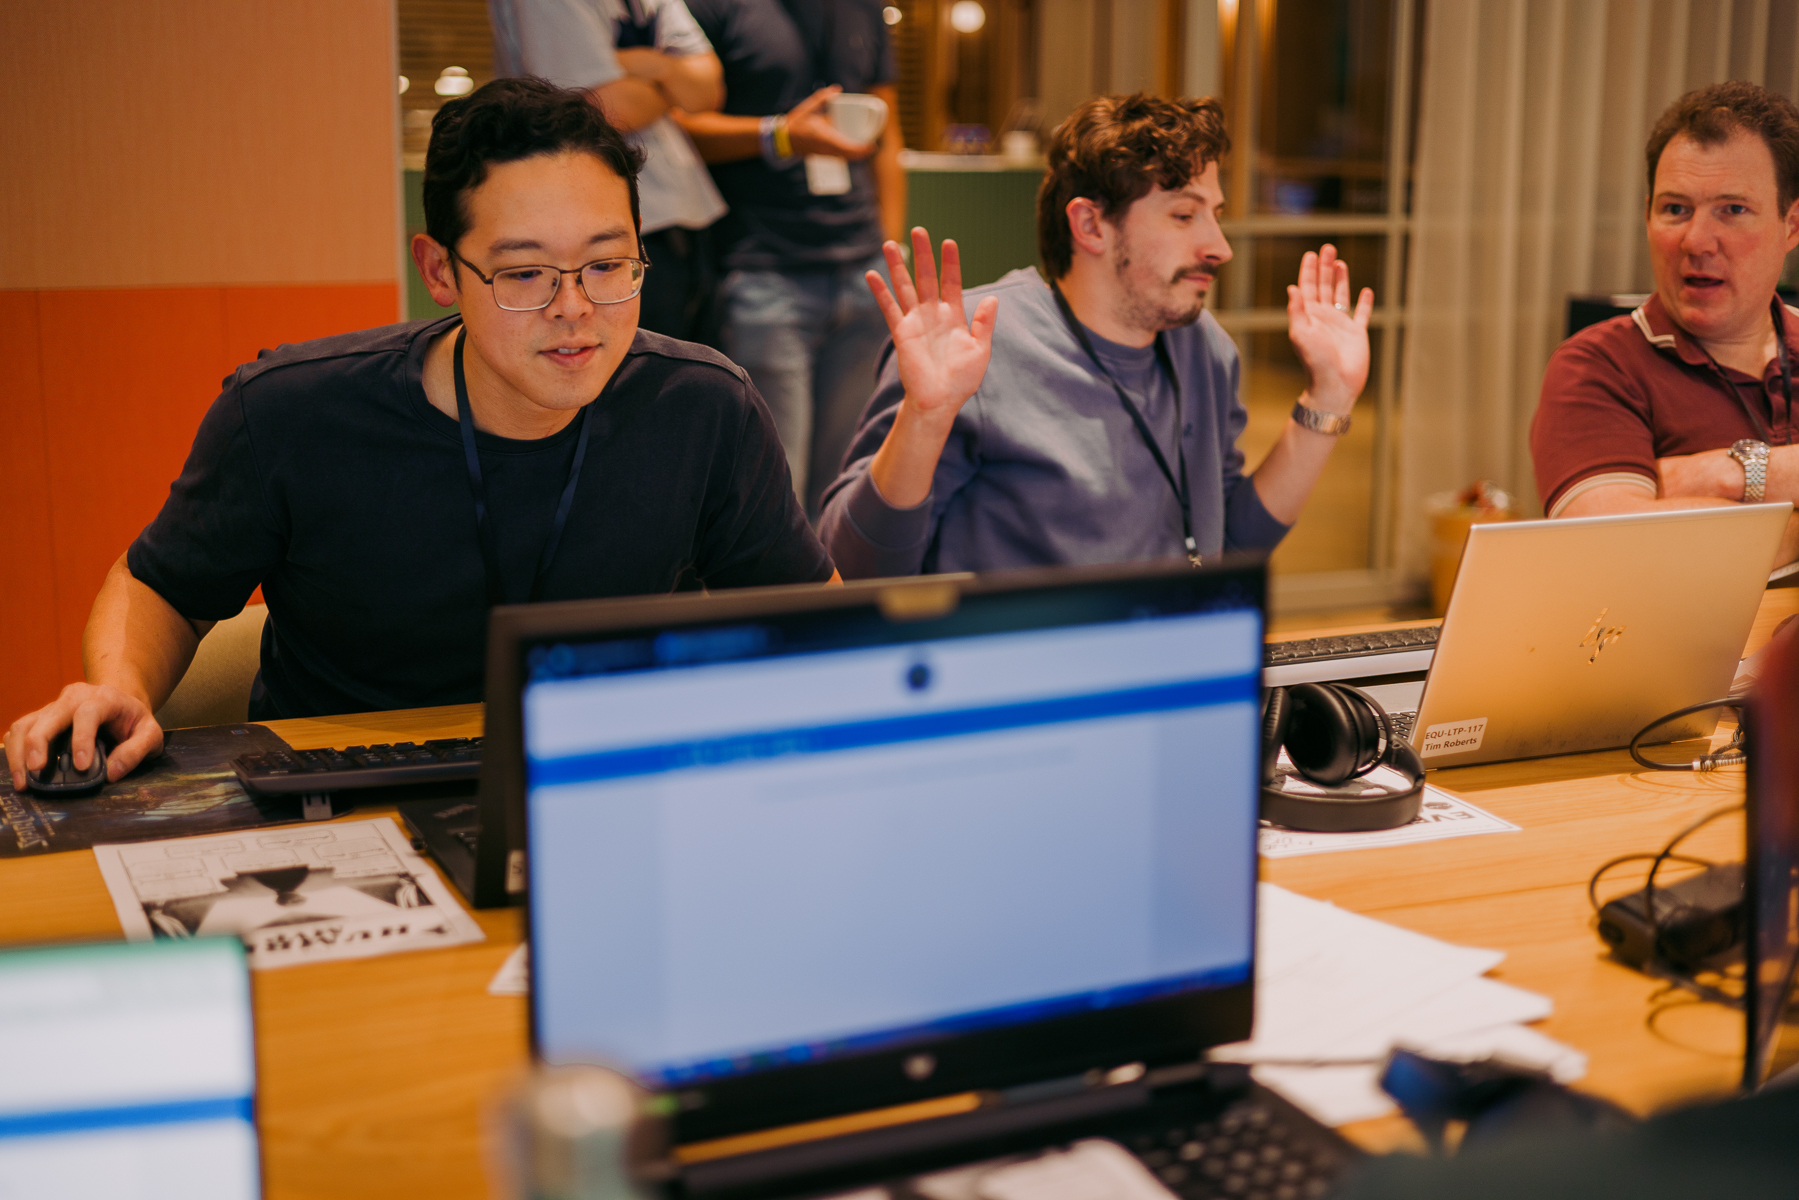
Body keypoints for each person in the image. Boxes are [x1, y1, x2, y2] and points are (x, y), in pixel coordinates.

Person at [4, 78, 834, 790]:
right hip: (335, 813)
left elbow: (820, 631)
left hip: (595, 794)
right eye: (523, 274)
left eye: (608, 265)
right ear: (440, 270)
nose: (575, 309)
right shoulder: (292, 414)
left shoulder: (703, 409)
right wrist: (117, 686)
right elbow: (162, 586)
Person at [816, 93, 1374, 578]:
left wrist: (1328, 397)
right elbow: (853, 568)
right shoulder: (972, 349)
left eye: (1216, 215)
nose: (1219, 246)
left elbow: (1223, 545)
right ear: (1090, 225)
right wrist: (925, 416)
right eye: (1184, 216)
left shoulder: (1205, 349)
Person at [1531, 81, 1799, 565]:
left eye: (1732, 210)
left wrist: (1722, 475)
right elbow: (1610, 548)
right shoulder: (1595, 366)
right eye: (1675, 209)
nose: (1696, 240)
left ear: (1792, 226)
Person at [674, 0, 906, 517]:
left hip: (863, 272)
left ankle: (831, 600)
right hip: (765, 274)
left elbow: (888, 137)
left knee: (845, 483)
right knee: (772, 499)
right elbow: (678, 128)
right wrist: (780, 134)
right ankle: (777, 602)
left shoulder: (864, 10)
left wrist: (889, 249)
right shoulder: (714, 9)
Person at [488, 0, 728, 341]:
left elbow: (708, 89)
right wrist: (673, 82)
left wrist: (649, 69)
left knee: (686, 379)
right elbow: (606, 107)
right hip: (595, 230)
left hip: (686, 222)